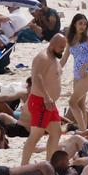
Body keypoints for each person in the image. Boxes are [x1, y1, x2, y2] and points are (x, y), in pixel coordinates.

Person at [20, 33, 66, 166]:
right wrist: (46, 97)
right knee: (36, 135)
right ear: (52, 45)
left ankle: (49, 164)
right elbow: (36, 78)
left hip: (49, 103)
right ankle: (23, 165)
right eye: (61, 47)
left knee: (56, 132)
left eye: (64, 47)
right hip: (41, 101)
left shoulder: (53, 57)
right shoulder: (43, 57)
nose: (62, 50)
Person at [60, 14, 88, 131]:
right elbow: (64, 59)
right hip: (76, 76)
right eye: (80, 23)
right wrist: (55, 70)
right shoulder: (71, 40)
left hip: (87, 74)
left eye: (85, 24)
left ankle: (82, 131)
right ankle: (85, 131)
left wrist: (86, 65)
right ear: (74, 24)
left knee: (72, 102)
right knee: (81, 104)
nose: (83, 26)